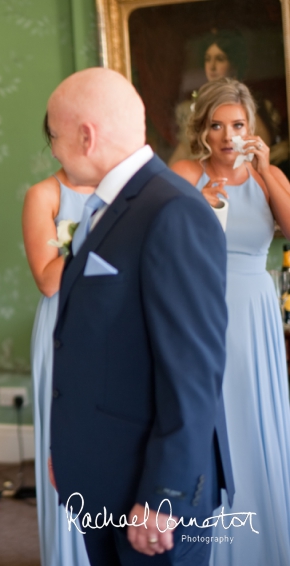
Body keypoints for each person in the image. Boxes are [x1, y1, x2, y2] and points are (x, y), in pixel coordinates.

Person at [47, 67, 233, 566]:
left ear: (85, 135)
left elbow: (194, 372)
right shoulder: (107, 208)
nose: (53, 150)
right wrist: (68, 447)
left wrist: (162, 495)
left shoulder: (173, 210)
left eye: (54, 135)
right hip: (104, 473)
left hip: (152, 494)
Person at [171, 78, 290, 566]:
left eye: (237, 125)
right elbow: (167, 239)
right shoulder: (184, 172)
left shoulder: (270, 177)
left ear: (251, 128)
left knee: (255, 416)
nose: (226, 135)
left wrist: (266, 171)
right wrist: (201, 204)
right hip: (203, 305)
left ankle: (263, 547)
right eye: (216, 125)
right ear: (203, 129)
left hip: (257, 310)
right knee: (214, 419)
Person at [22, 157, 93, 566]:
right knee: (64, 444)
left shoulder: (124, 188)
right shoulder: (44, 195)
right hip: (63, 322)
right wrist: (98, 233)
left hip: (115, 322)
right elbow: (49, 280)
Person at [168, 30, 279, 166]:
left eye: (220, 59)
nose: (212, 66)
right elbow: (182, 154)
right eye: (208, 59)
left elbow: (257, 156)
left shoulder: (246, 107)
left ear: (235, 64)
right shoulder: (194, 107)